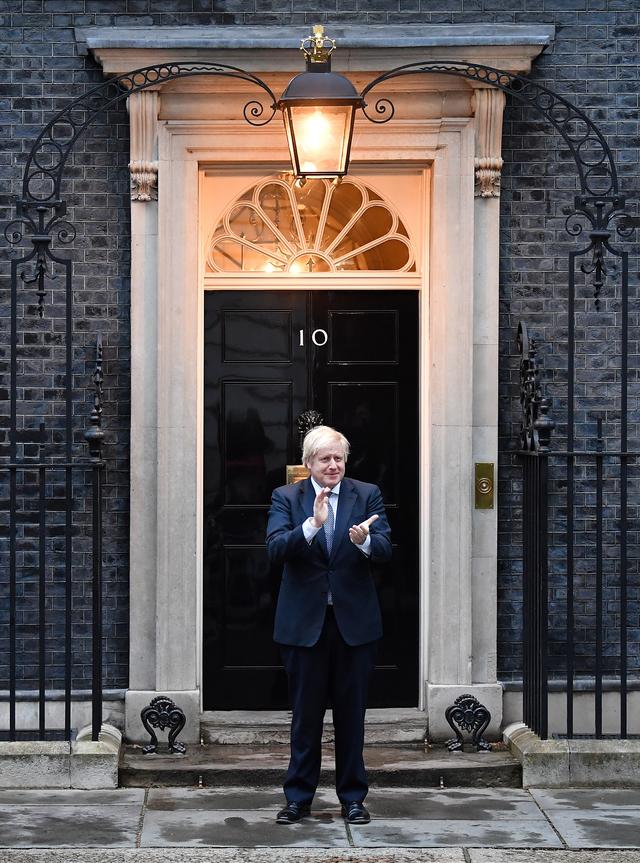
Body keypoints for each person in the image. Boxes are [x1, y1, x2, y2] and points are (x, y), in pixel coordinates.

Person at [266, 425, 392, 825]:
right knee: (305, 717)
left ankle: (353, 797)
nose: (334, 465)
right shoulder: (287, 497)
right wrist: (312, 526)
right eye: (325, 459)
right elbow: (274, 550)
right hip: (305, 626)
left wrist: (364, 542)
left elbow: (387, 549)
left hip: (353, 625)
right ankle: (298, 798)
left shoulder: (366, 494)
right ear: (308, 464)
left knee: (352, 716)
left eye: (339, 458)